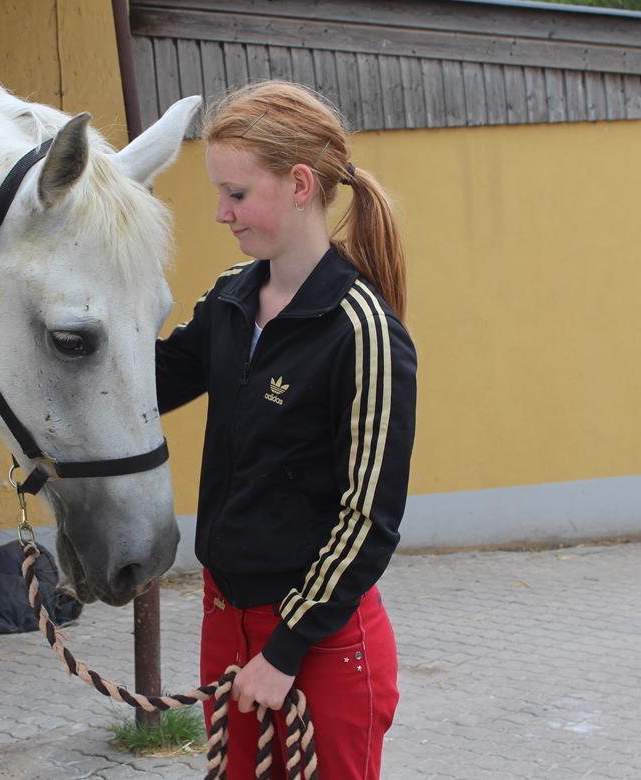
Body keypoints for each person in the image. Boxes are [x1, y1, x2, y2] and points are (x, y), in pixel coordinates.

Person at [155, 81, 418, 779]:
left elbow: (370, 518)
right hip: (226, 620)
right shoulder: (231, 298)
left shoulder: (363, 332)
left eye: (236, 194)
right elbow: (142, 387)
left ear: (300, 184)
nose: (220, 213)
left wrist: (284, 652)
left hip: (321, 643)